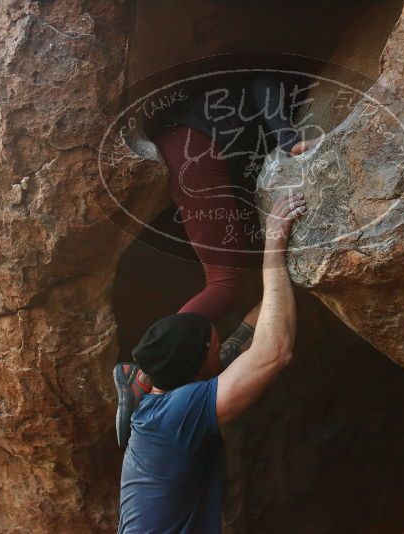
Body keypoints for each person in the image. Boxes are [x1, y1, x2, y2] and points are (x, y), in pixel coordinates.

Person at [113, 75, 321, 447]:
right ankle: (144, 373)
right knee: (224, 282)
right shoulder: (278, 82)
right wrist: (290, 141)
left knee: (235, 279)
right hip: (195, 153)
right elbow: (264, 83)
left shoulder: (226, 105)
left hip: (191, 150)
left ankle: (178, 365)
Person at [115, 193, 306, 533]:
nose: (223, 349)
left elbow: (246, 335)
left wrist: (295, 281)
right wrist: (274, 251)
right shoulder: (177, 414)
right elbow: (275, 351)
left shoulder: (173, 392)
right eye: (214, 348)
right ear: (198, 366)